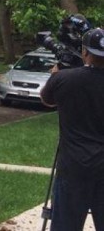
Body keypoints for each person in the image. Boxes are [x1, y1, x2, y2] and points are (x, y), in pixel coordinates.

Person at [40, 27, 104, 230]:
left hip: (73, 168)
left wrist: (55, 75)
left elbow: (46, 100)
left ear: (85, 52)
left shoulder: (64, 79)